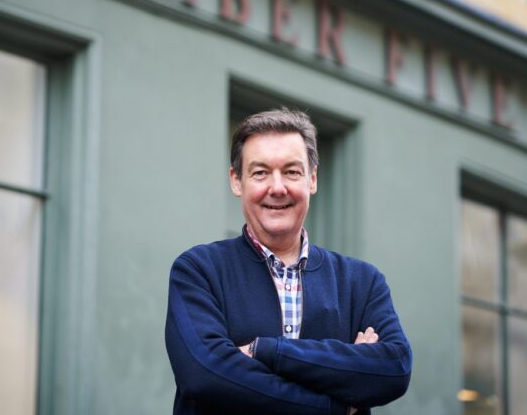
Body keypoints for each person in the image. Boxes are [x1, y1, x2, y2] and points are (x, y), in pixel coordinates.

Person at [164, 108, 412, 414]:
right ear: (236, 181)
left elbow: (394, 368)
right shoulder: (199, 271)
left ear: (312, 179)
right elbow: (204, 376)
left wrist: (264, 351)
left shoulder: (361, 283)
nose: (277, 187)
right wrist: (334, 403)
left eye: (292, 172)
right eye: (260, 172)